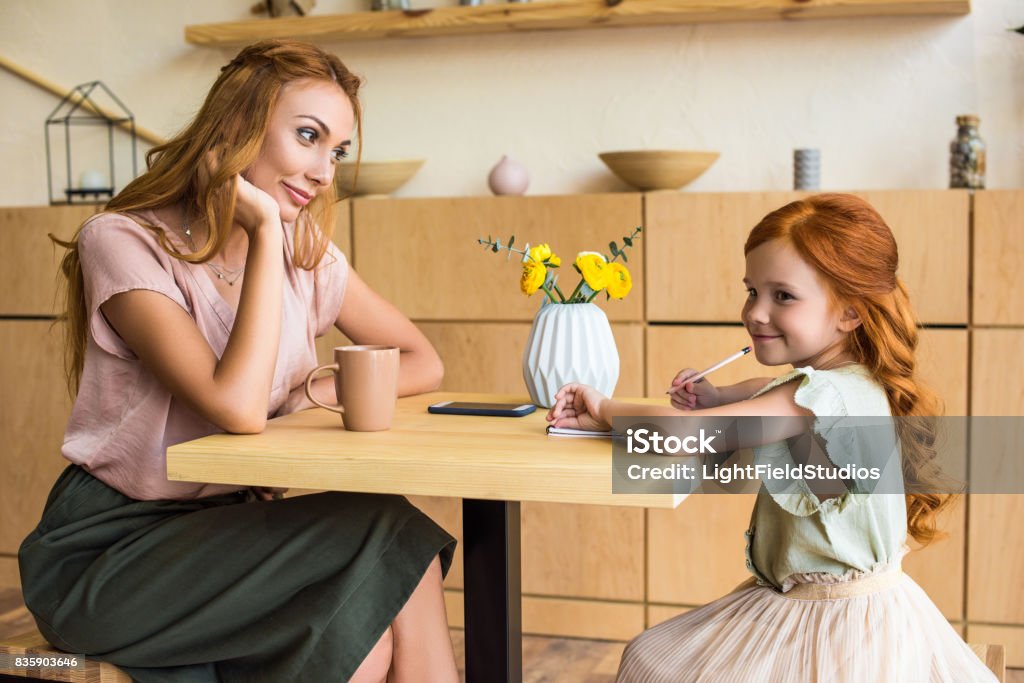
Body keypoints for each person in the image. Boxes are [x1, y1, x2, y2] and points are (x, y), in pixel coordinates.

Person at [18, 40, 459, 683]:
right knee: (388, 531)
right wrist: (264, 235)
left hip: (238, 537)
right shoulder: (124, 241)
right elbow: (238, 407)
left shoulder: (307, 256)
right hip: (110, 553)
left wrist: (311, 394)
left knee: (362, 635)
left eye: (336, 150)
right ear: (237, 128)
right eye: (308, 136)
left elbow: (422, 360)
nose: (324, 171)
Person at [547, 194, 996, 682]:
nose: (755, 313)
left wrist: (604, 405)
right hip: (829, 606)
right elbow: (753, 395)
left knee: (652, 661)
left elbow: (680, 435)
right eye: (751, 291)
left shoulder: (817, 398)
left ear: (849, 313)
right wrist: (711, 396)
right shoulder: (841, 382)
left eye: (782, 295)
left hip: (834, 623)